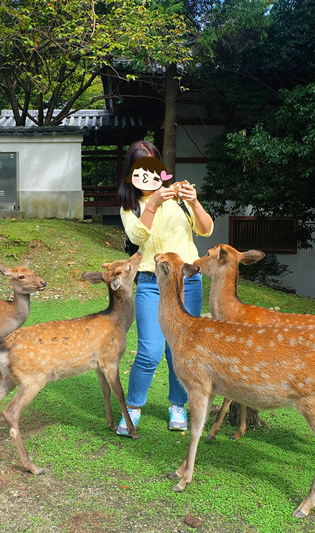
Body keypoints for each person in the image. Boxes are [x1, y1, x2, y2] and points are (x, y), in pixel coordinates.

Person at [116, 140, 214, 435]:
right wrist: (155, 203)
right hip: (150, 283)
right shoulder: (130, 207)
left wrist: (194, 201)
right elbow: (137, 236)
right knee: (149, 351)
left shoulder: (180, 201)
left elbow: (206, 229)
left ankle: (177, 405)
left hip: (187, 283)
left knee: (180, 350)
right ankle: (131, 408)